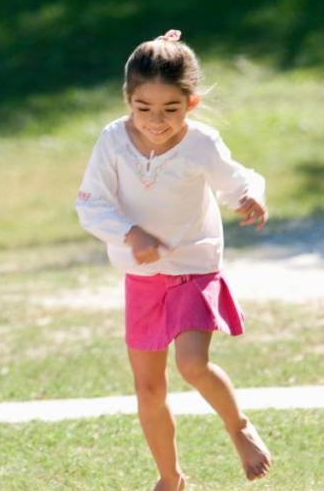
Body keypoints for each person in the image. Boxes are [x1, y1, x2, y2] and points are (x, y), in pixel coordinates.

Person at [75, 30, 272, 491]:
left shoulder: (201, 143)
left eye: (171, 109)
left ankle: (238, 427)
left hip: (192, 269)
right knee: (148, 388)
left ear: (192, 102)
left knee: (192, 364)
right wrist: (129, 233)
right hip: (141, 278)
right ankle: (171, 477)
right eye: (143, 109)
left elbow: (239, 179)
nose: (156, 121)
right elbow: (90, 203)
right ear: (127, 99)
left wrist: (249, 197)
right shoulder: (112, 142)